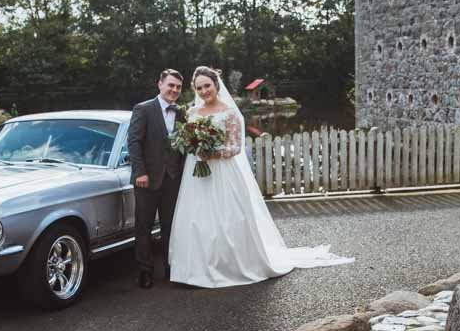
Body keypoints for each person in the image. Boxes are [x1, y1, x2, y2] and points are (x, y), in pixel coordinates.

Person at [169, 66, 353, 288]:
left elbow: (235, 147)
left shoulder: (230, 112)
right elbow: (188, 141)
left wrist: (212, 153)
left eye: (207, 85)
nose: (204, 91)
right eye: (199, 88)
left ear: (216, 85)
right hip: (197, 173)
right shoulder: (192, 112)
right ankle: (194, 270)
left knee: (229, 219)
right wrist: (195, 147)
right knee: (196, 219)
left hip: (224, 172)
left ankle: (230, 266)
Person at [127, 69, 186, 288]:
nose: (174, 90)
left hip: (173, 179)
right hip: (147, 179)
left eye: (178, 87)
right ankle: (145, 270)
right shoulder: (143, 109)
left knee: (171, 225)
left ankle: (171, 268)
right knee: (144, 225)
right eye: (171, 85)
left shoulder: (182, 113)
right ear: (159, 84)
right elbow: (134, 142)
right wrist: (139, 172)